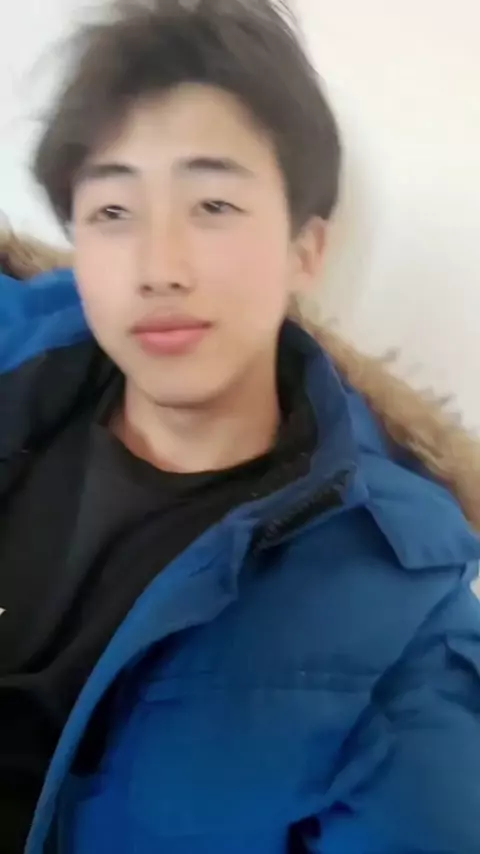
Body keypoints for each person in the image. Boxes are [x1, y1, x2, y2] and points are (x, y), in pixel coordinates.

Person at [1, 1, 480, 852]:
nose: (159, 268)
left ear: (306, 248)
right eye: (112, 212)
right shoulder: (24, 352)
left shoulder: (401, 621)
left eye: (213, 204)